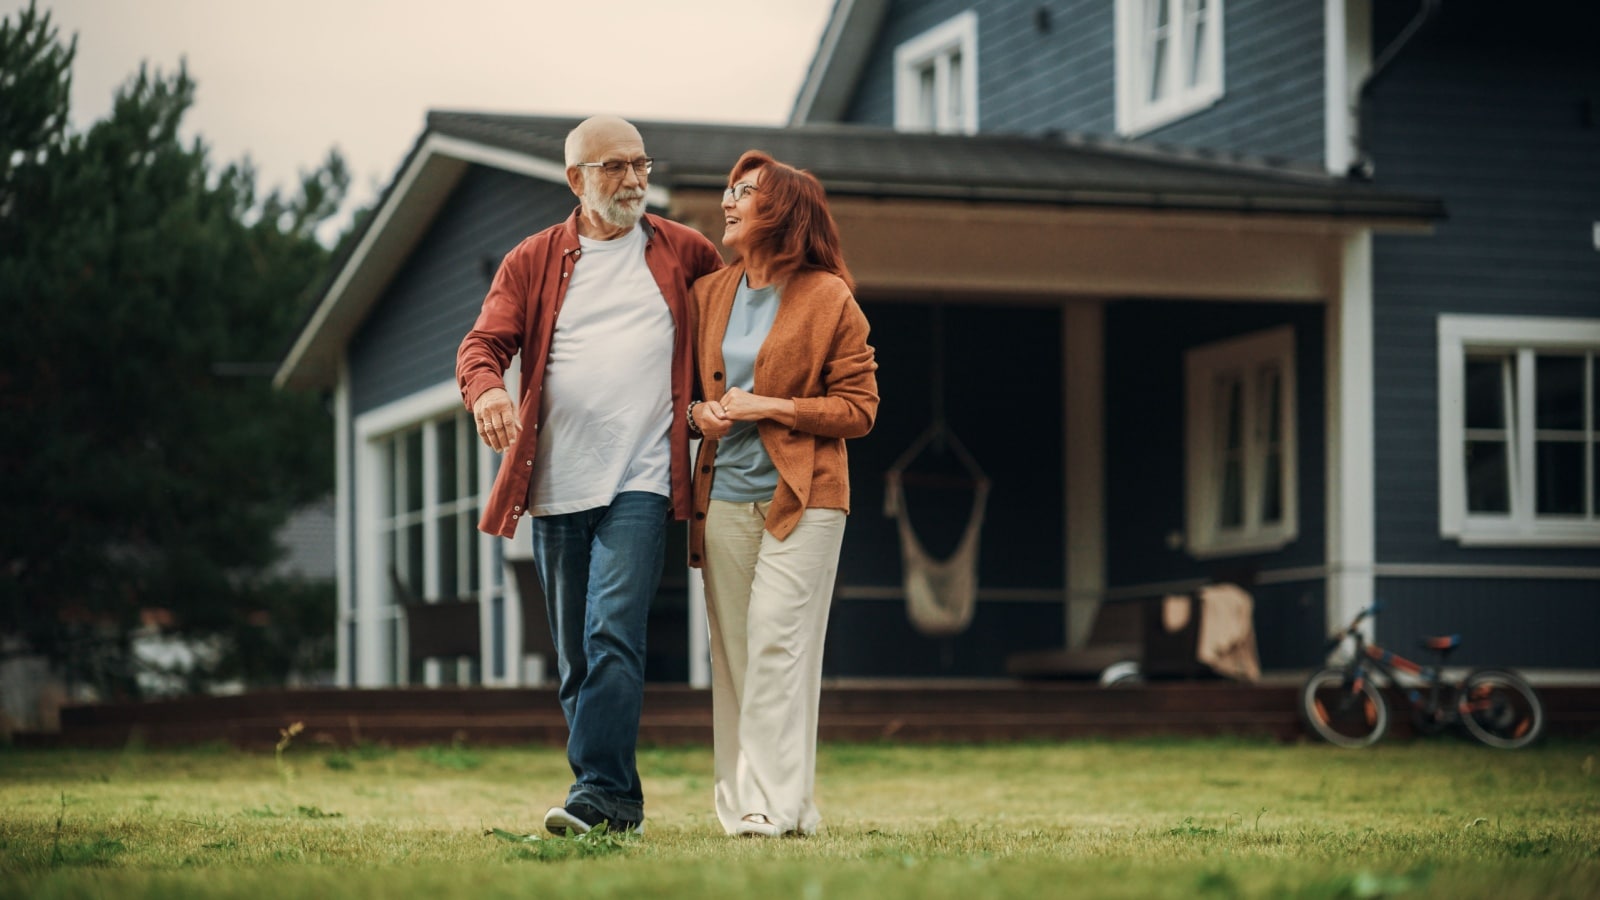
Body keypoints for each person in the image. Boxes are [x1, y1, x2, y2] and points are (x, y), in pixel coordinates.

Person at [456, 115, 724, 837]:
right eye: (615, 168)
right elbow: (484, 342)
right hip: (553, 488)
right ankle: (618, 806)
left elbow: (740, 318)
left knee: (612, 632)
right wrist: (486, 390)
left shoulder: (685, 253)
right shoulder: (533, 260)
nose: (635, 179)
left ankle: (597, 796)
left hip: (641, 479)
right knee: (575, 656)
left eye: (640, 164)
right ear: (576, 180)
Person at [687, 150, 879, 838]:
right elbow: (686, 397)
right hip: (725, 500)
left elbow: (860, 409)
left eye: (744, 192)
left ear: (783, 212)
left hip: (806, 498)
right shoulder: (710, 292)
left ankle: (764, 804)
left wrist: (772, 406)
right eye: (729, 189)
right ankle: (774, 804)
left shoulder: (829, 297)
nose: (728, 201)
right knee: (738, 658)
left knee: (778, 645)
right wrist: (697, 417)